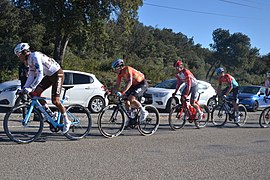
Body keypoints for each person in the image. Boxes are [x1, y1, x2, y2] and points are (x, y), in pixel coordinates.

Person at [14, 42, 71, 134]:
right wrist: (24, 88)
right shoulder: (29, 61)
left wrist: (31, 87)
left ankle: (67, 121)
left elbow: (40, 74)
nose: (18, 57)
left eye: (18, 55)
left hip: (57, 74)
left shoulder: (35, 56)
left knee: (55, 101)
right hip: (49, 76)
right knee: (35, 94)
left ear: (24, 52)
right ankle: (51, 114)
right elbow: (31, 76)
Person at [111, 58, 149, 123]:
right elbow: (117, 85)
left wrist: (122, 92)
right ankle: (131, 117)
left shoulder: (127, 69)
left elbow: (130, 82)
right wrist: (111, 92)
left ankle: (144, 111)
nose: (114, 70)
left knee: (131, 98)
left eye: (115, 68)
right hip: (134, 85)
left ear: (120, 67)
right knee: (125, 100)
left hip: (141, 83)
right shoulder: (119, 75)